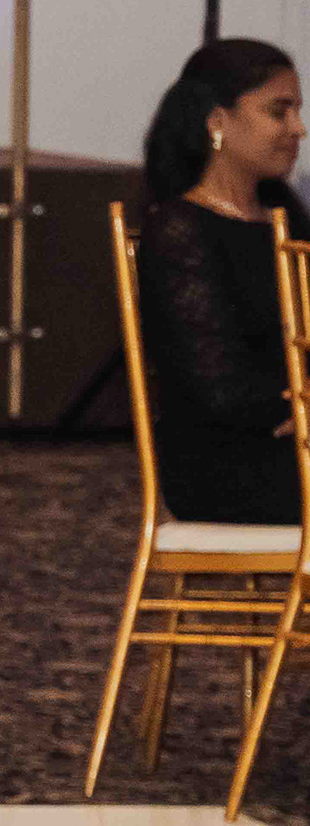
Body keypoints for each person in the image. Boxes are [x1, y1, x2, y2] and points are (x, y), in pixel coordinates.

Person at [134, 36, 306, 525]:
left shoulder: (286, 218)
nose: (299, 129)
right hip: (232, 464)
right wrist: (300, 404)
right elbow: (221, 389)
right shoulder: (180, 230)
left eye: (297, 112)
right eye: (279, 111)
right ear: (217, 121)